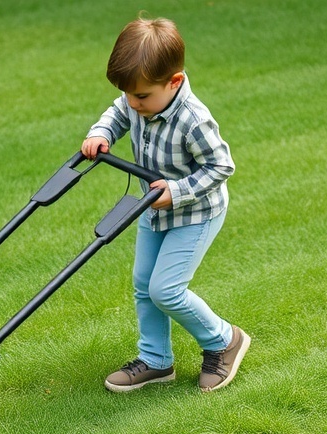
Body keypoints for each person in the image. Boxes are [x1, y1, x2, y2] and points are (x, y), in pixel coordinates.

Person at [81, 16, 250, 393]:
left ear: (174, 82)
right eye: (128, 94)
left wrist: (178, 191)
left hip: (195, 213)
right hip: (153, 209)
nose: (133, 103)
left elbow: (222, 165)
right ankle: (156, 360)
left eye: (141, 96)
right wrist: (100, 133)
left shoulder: (193, 120)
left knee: (166, 289)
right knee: (144, 284)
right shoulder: (136, 100)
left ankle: (224, 340)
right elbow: (117, 113)